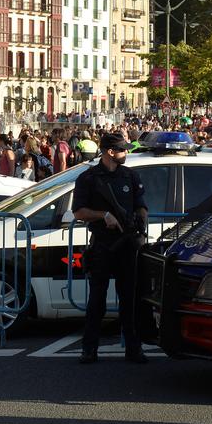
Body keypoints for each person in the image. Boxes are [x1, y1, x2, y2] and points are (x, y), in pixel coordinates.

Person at [72, 132, 149, 365]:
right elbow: (79, 212)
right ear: (109, 152)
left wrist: (139, 219)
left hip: (128, 244)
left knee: (130, 299)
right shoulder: (88, 178)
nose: (126, 153)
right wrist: (104, 215)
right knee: (97, 300)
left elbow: (142, 206)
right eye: (122, 149)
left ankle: (133, 348)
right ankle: (89, 349)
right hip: (103, 244)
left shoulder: (131, 176)